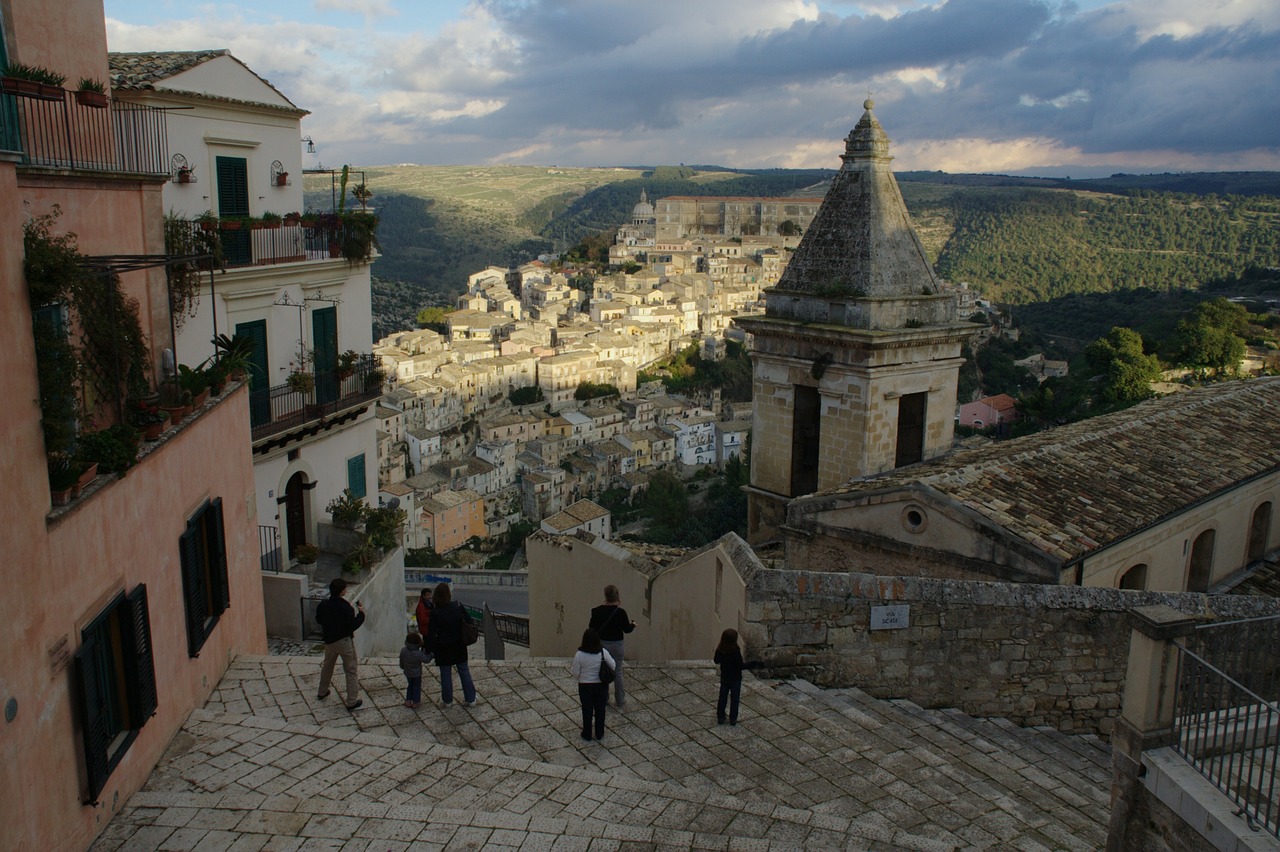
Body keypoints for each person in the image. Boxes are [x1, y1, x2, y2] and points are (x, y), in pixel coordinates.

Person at [315, 578, 365, 710]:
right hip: (344, 641)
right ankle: (352, 701)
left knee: (327, 666)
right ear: (342, 591)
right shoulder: (345, 607)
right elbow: (353, 625)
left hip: (330, 641)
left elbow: (319, 619)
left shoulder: (323, 605)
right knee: (351, 670)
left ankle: (322, 691)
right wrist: (362, 613)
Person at [426, 583, 477, 706]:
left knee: (445, 674)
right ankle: (471, 699)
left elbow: (431, 633)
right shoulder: (458, 606)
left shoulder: (435, 613)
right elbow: (469, 621)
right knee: (464, 671)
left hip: (443, 646)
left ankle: (447, 701)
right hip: (459, 644)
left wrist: (429, 649)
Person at [589, 585, 636, 707]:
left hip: (603, 644)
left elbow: (592, 628)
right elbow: (626, 630)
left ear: (605, 595)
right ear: (617, 596)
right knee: (618, 672)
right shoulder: (621, 612)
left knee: (603, 670)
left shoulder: (596, 611)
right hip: (617, 645)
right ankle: (620, 700)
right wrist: (633, 625)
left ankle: (604, 699)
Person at [570, 628, 615, 742]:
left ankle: (587, 733)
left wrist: (582, 677)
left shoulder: (579, 655)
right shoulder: (603, 652)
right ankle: (599, 733)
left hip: (585, 685)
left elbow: (575, 672)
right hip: (601, 685)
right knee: (600, 709)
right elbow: (613, 665)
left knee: (587, 709)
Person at [714, 628, 745, 725]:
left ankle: (720, 717)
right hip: (735, 678)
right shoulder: (736, 652)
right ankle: (733, 718)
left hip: (725, 677)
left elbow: (716, 660)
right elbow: (740, 666)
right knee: (735, 698)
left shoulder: (720, 650)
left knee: (722, 697)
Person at [399, 632, 433, 708]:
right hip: (417, 674)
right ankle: (416, 702)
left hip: (407, 672)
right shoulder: (418, 653)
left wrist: (402, 667)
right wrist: (431, 655)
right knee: (416, 686)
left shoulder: (403, 650)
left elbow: (401, 660)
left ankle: (408, 700)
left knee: (410, 685)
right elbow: (426, 660)